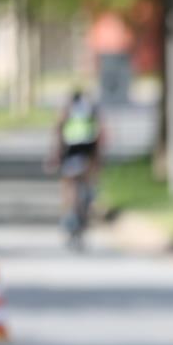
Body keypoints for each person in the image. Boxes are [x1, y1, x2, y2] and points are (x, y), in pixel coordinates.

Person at [48, 90, 103, 250]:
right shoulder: (91, 110)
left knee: (68, 185)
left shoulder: (67, 110)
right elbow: (99, 135)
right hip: (88, 151)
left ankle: (70, 214)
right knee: (87, 182)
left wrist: (53, 155)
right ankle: (85, 212)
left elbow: (58, 132)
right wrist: (98, 160)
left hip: (71, 151)